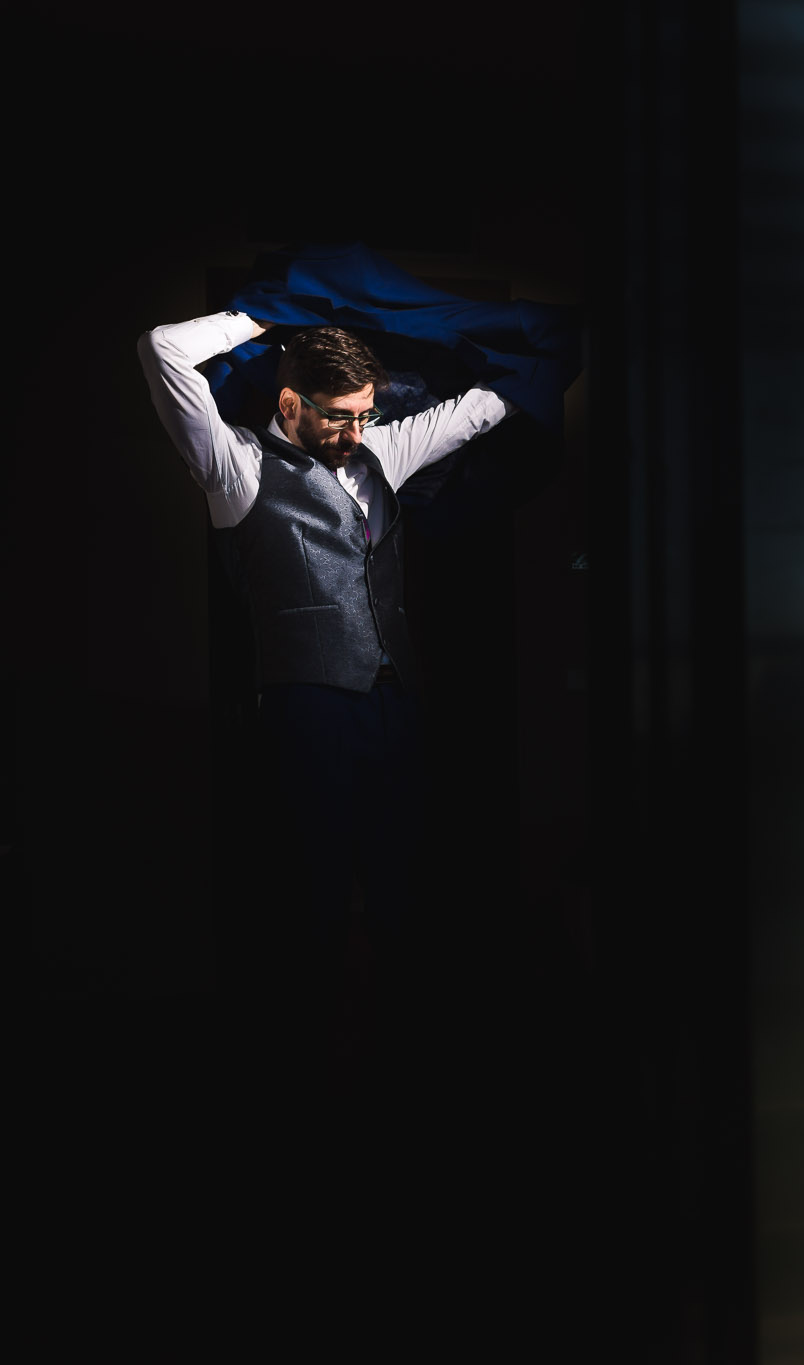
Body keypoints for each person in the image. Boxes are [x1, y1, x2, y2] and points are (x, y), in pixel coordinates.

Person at [138, 311, 515, 1341]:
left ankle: (403, 1103)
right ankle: (305, 1122)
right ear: (289, 402)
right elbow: (162, 349)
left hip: (400, 707)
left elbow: (486, 410)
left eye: (366, 414)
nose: (356, 431)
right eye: (336, 416)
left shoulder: (382, 444)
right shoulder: (233, 465)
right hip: (306, 710)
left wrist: (500, 354)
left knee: (403, 899)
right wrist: (267, 308)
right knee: (310, 901)